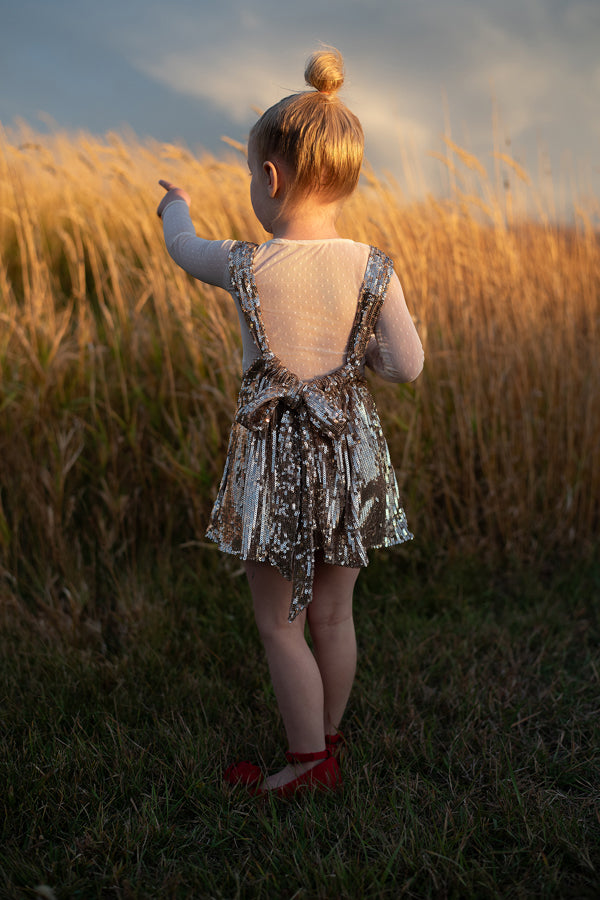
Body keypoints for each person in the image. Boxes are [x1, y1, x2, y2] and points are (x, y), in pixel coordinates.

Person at [157, 46, 424, 798]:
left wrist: (174, 201)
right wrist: (353, 357)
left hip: (275, 457)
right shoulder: (374, 266)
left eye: (252, 178)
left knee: (281, 623)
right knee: (334, 613)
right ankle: (328, 738)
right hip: (346, 456)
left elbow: (180, 248)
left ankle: (308, 767)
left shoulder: (245, 265)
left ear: (269, 178)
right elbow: (406, 365)